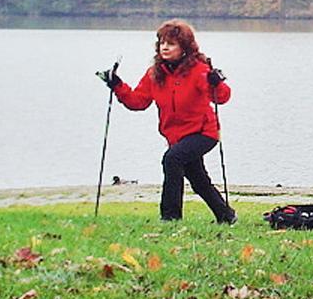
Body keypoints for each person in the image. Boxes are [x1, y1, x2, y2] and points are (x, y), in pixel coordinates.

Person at [98, 20, 236, 224]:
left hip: (204, 132)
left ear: (184, 47)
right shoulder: (155, 74)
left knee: (172, 159)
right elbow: (138, 102)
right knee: (198, 179)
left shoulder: (198, 70)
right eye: (162, 42)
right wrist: (117, 84)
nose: (164, 47)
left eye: (171, 43)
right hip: (176, 136)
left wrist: (216, 82)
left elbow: (222, 98)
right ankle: (226, 215)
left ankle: (170, 217)